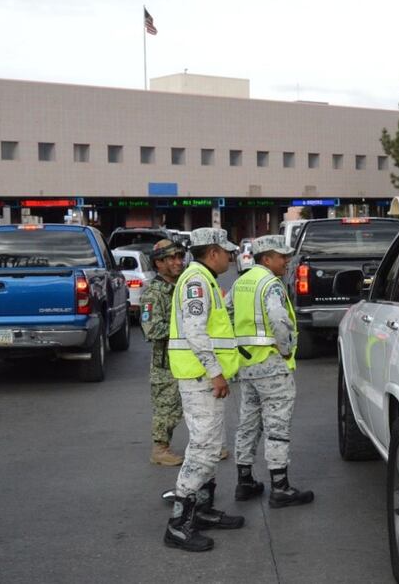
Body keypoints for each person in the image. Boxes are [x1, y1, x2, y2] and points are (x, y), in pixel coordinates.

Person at [163, 228, 244, 553]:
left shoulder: (203, 278)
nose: (231, 257)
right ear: (212, 253)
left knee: (211, 444)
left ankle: (203, 509)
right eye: (227, 252)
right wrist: (215, 373)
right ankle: (178, 524)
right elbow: (196, 332)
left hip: (204, 378)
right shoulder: (197, 281)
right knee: (204, 447)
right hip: (200, 378)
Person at [229, 235, 314, 508]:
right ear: (266, 258)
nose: (286, 261)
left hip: (248, 365)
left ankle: (244, 481)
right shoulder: (270, 284)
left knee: (248, 423)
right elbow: (278, 319)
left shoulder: (241, 282)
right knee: (277, 425)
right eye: (282, 257)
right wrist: (286, 347)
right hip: (272, 365)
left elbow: (226, 312)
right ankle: (280, 486)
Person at [140, 239, 186, 467]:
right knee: (166, 409)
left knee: (195, 404)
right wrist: (186, 328)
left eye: (180, 257)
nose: (179, 262)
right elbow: (151, 329)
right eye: (172, 258)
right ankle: (160, 450)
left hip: (187, 359)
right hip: (165, 363)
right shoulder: (154, 293)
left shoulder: (183, 286)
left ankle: (207, 446)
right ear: (159, 263)